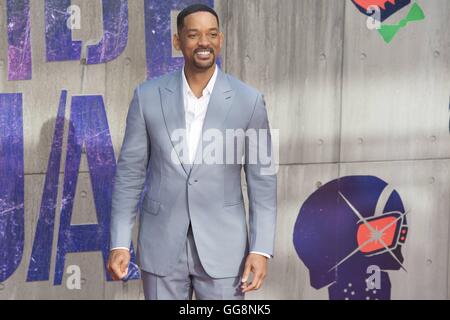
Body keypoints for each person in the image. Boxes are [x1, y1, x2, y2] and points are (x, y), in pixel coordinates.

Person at [107, 3, 277, 300]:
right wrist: (120, 242)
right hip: (161, 246)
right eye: (194, 34)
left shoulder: (248, 101)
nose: (204, 42)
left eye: (211, 34)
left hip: (225, 251)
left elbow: (262, 181)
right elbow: (130, 174)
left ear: (220, 40)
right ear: (177, 41)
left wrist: (261, 248)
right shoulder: (147, 97)